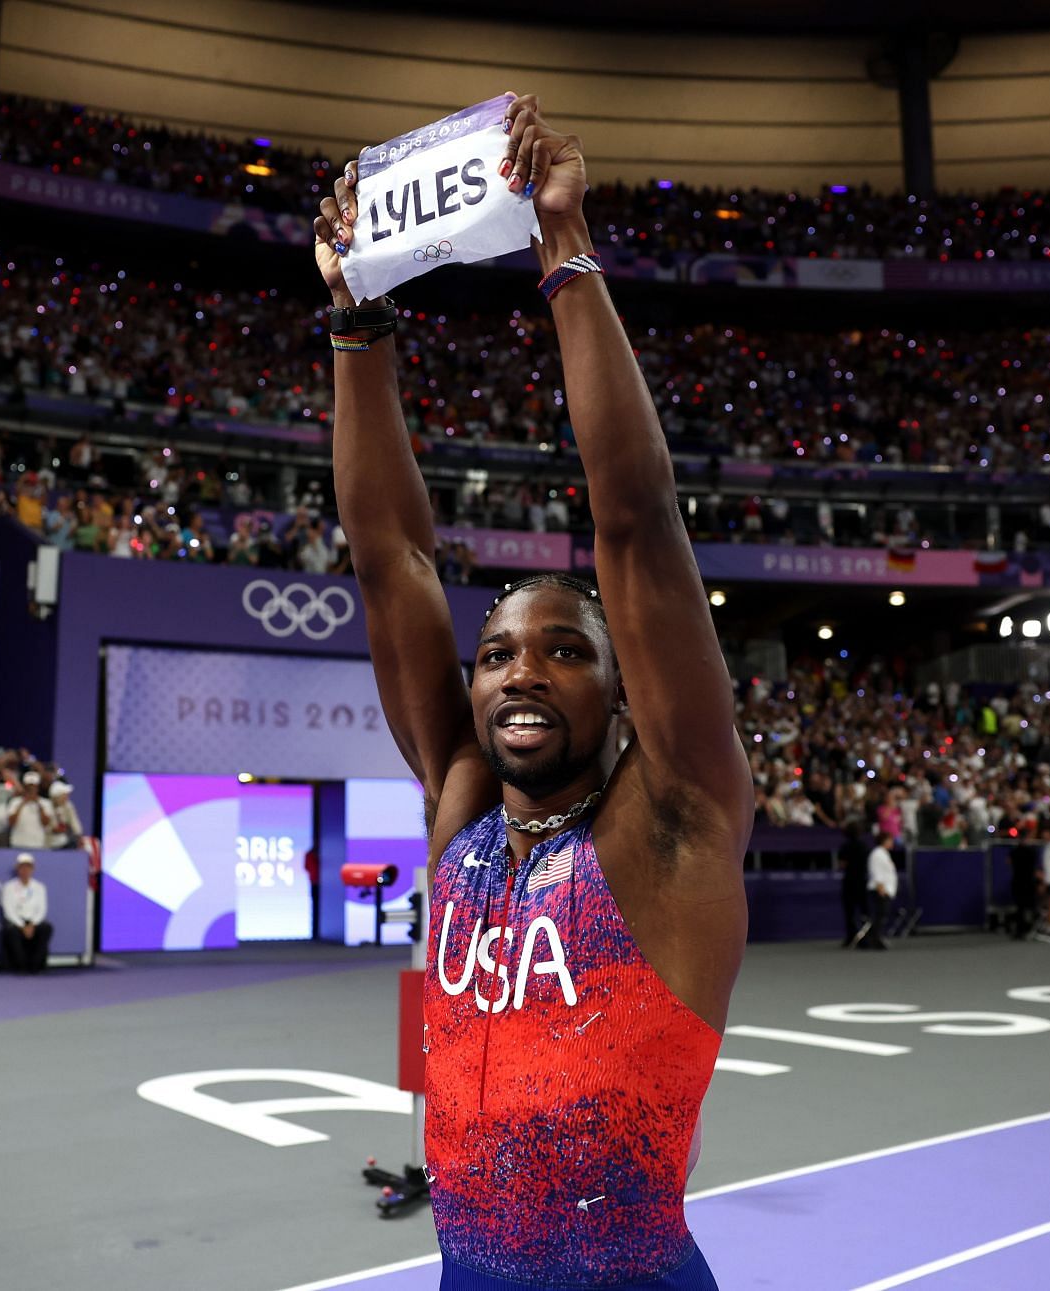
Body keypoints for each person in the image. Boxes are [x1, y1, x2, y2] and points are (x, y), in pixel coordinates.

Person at [316, 93, 751, 1290]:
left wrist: (566, 255)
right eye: (501, 649)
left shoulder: (674, 824)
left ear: (621, 696)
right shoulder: (460, 805)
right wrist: (356, 324)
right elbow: (391, 558)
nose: (522, 668)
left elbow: (636, 523)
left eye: (566, 650)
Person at [0, 853, 52, 973]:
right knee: (11, 931)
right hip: (16, 922)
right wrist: (22, 926)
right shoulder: (9, 887)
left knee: (46, 928)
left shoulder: (39, 887)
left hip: (34, 921)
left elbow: (42, 909)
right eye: (22, 867)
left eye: (28, 867)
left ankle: (36, 965)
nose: (25, 870)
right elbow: (9, 910)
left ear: (33, 869)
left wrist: (33, 924)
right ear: (17, 868)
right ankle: (20, 965)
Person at [862, 829, 898, 951]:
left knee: (881, 916)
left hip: (885, 890)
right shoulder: (877, 854)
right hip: (879, 890)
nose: (892, 842)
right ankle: (873, 939)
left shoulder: (884, 853)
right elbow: (876, 872)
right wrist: (881, 888)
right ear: (883, 841)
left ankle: (873, 938)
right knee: (879, 916)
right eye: (890, 840)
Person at [838, 817, 870, 948]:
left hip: (849, 881)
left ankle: (851, 937)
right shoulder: (864, 846)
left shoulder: (845, 846)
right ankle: (865, 938)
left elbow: (842, 864)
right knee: (864, 911)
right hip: (862, 881)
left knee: (849, 912)